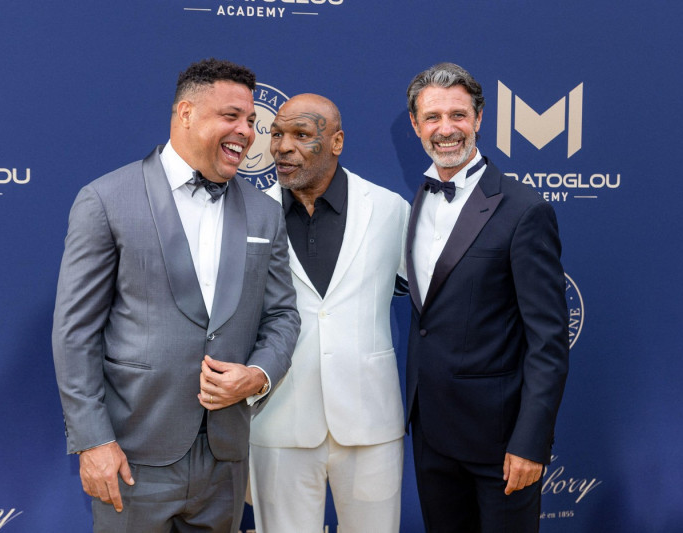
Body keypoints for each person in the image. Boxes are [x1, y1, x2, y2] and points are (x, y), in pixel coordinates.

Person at [51, 58, 300, 533]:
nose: (246, 132)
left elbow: (283, 315)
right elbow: (75, 334)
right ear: (186, 113)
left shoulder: (264, 212)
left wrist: (258, 374)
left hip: (225, 458)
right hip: (132, 455)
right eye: (231, 116)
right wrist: (92, 441)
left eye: (251, 120)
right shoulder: (106, 200)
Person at [404, 62, 569, 532]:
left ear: (478, 118)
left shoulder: (525, 210)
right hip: (431, 434)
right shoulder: (419, 198)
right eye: (432, 117)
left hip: (500, 442)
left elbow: (548, 341)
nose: (446, 129)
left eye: (458, 115)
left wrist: (531, 442)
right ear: (416, 125)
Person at [250, 93, 409, 533]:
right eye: (276, 134)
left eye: (301, 134)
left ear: (336, 142)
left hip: (371, 421)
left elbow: (431, 299)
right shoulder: (248, 211)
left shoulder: (389, 209)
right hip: (277, 421)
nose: (282, 146)